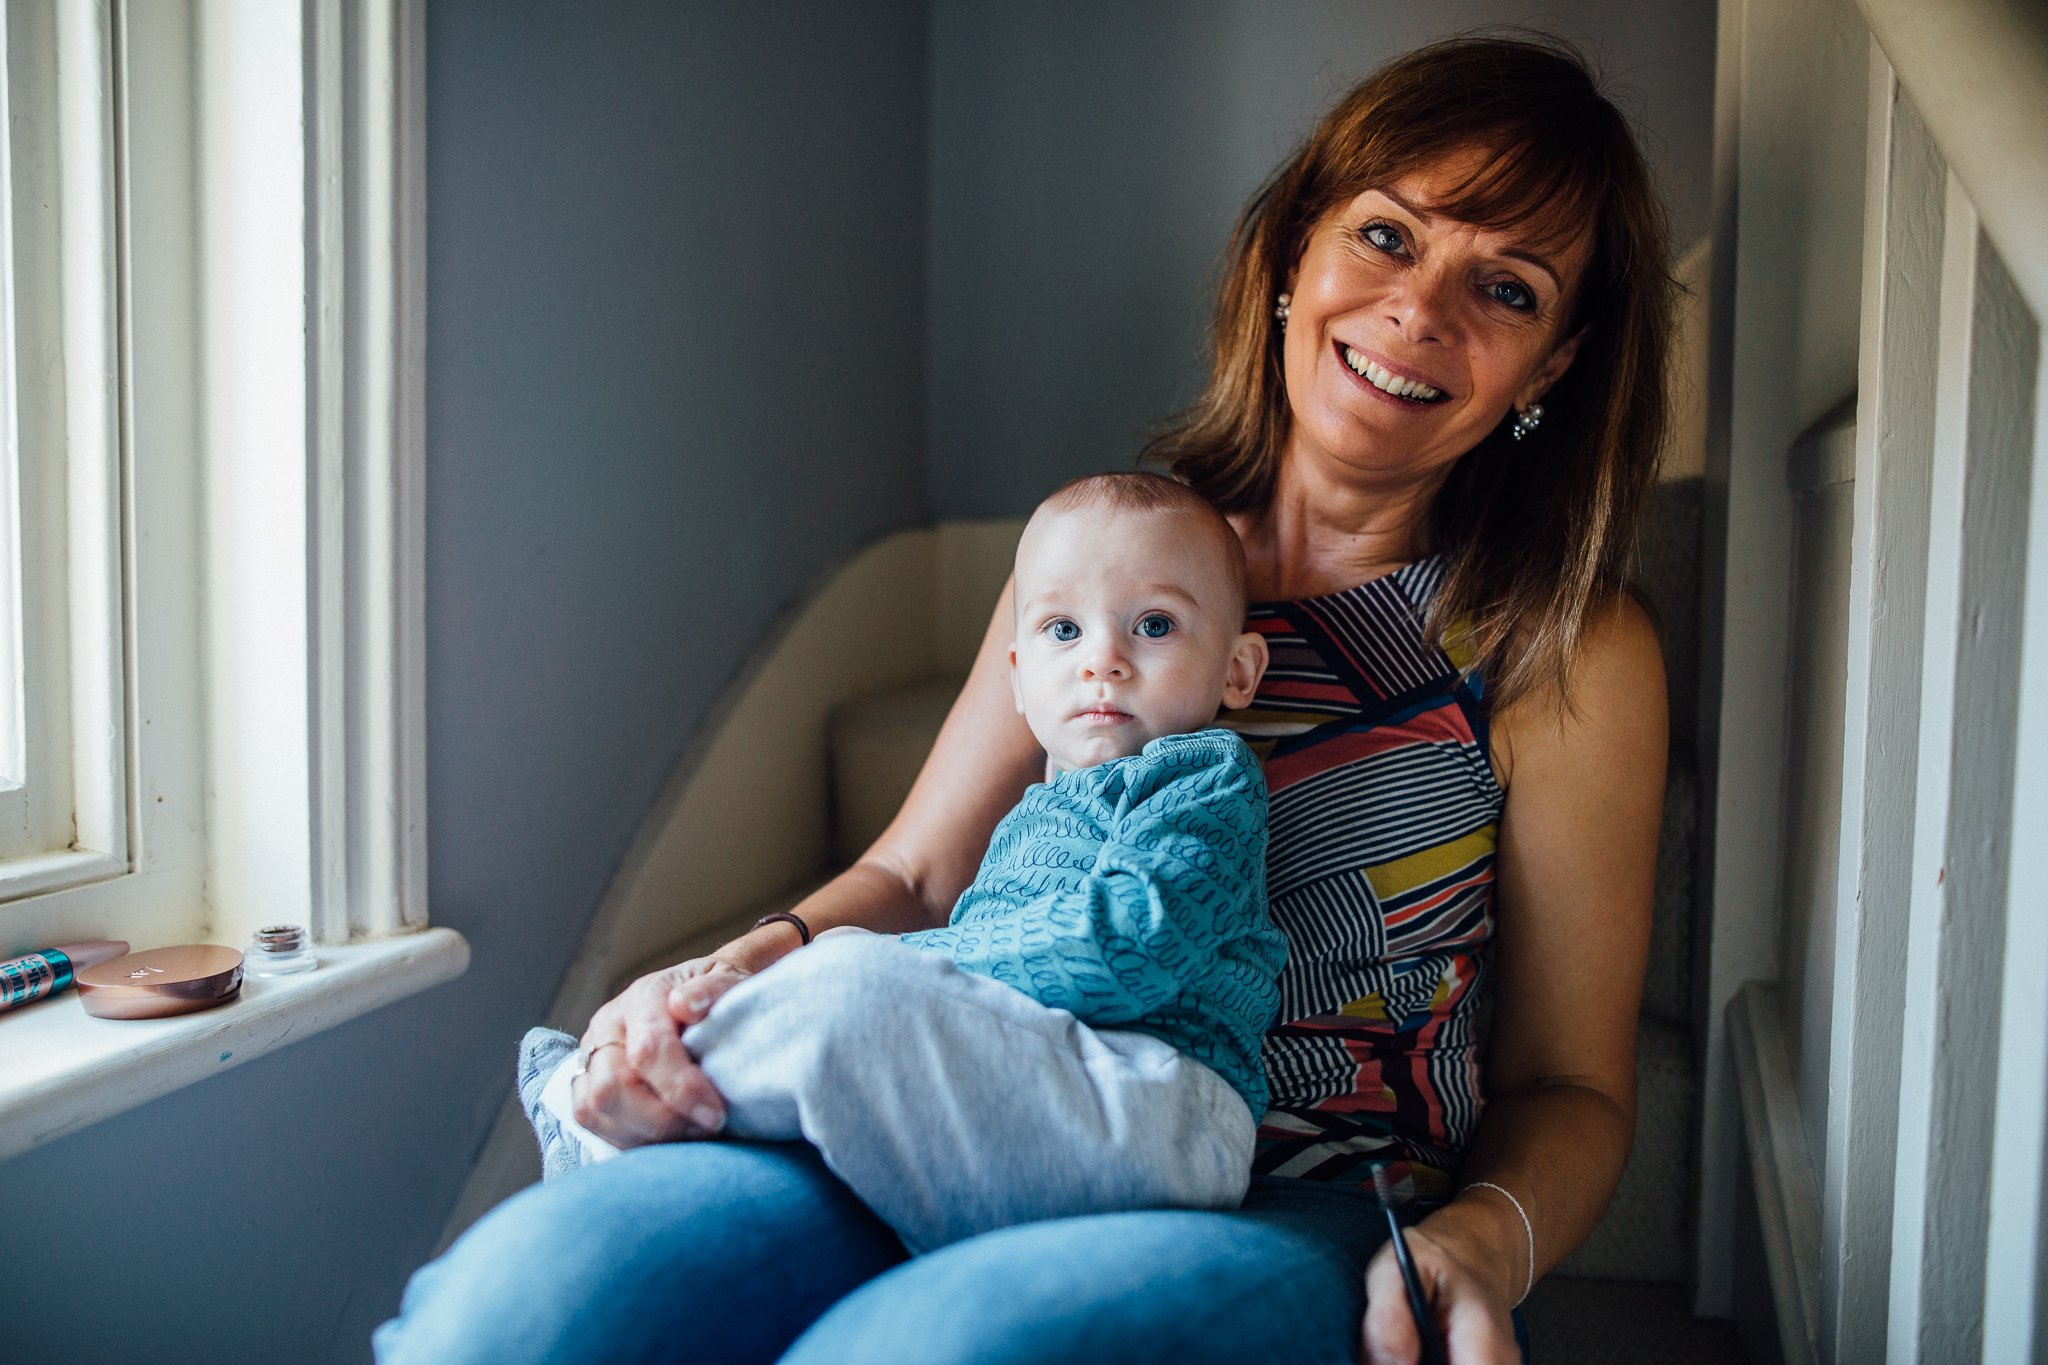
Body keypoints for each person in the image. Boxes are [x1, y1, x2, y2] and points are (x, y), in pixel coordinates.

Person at [377, 33, 1671, 1365]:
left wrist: (1480, 1242)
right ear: (1293, 258)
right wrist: (728, 970)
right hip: (962, 1098)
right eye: (1389, 237)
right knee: (523, 1308)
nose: (1421, 312)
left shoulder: (1559, 649)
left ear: (1554, 366)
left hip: (1291, 1197)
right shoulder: (1106, 562)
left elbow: (1568, 1087)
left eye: (1506, 288)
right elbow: (918, 874)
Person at [514, 472, 1287, 1254]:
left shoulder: (1201, 777)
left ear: (1237, 671)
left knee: (853, 988)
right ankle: (623, 1099)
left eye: (1154, 625)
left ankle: (590, 1101)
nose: (1103, 660)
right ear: (1015, 678)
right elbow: (920, 892)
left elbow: (1133, 941)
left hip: (1162, 1102)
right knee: (840, 1042)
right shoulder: (1036, 806)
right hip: (1031, 1080)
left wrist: (905, 963)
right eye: (1063, 630)